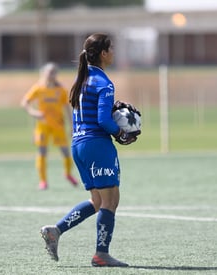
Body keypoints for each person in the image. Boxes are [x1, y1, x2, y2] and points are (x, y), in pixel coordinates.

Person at [40, 33, 141, 267]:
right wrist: (121, 133)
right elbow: (104, 121)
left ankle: (56, 230)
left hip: (78, 145)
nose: (114, 51)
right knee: (111, 199)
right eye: (111, 48)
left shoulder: (81, 81)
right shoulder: (104, 83)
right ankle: (101, 255)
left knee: (97, 200)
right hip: (97, 145)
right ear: (103, 54)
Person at [21, 62, 78, 190]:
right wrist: (33, 112)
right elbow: (24, 102)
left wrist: (72, 126)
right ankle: (43, 181)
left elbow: (67, 108)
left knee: (66, 152)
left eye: (53, 72)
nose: (50, 75)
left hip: (58, 125)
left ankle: (68, 174)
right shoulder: (38, 88)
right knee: (42, 152)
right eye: (48, 72)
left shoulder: (61, 90)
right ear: (43, 73)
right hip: (43, 125)